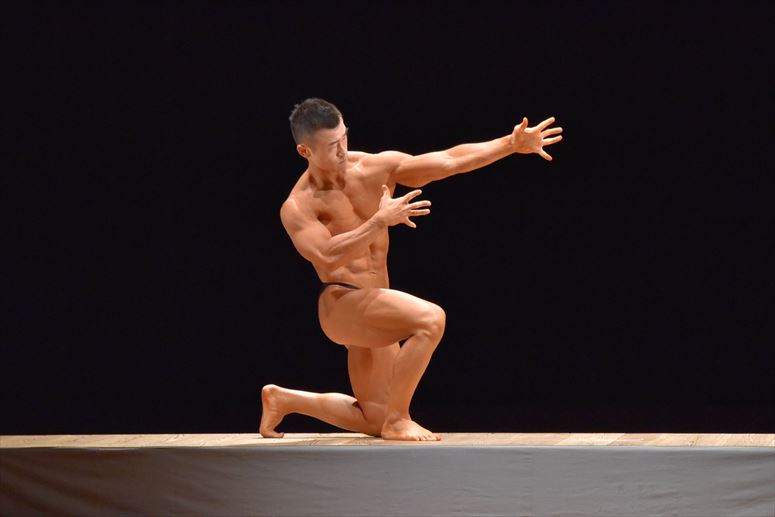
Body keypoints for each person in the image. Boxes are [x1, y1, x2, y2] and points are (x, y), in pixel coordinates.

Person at [260, 98, 562, 441]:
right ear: (305, 152)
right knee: (430, 319)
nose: (343, 149)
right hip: (341, 304)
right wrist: (379, 221)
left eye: (344, 137)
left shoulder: (374, 168)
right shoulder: (298, 205)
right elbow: (328, 257)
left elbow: (448, 160)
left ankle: (284, 400)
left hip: (377, 303)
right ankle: (398, 420)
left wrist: (509, 144)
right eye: (332, 146)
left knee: (373, 418)